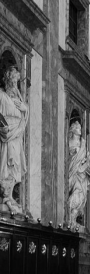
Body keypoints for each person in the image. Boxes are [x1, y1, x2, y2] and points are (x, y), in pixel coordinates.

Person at [0, 64, 29, 214]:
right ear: (7, 80)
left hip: (17, 136)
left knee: (15, 166)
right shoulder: (1, 96)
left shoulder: (19, 101)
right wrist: (3, 129)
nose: (14, 85)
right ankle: (5, 197)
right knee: (7, 165)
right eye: (12, 81)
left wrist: (25, 109)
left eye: (16, 82)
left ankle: (9, 196)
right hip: (7, 135)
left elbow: (24, 120)